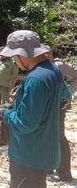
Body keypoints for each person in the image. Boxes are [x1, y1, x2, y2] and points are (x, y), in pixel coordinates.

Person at [0, 30, 71, 188]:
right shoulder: (53, 70)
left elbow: (25, 124)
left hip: (27, 155)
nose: (15, 61)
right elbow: (65, 96)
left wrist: (5, 113)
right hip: (43, 150)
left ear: (22, 55)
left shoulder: (34, 79)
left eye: (14, 57)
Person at [44, 46, 76, 182]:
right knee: (47, 136)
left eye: (46, 53)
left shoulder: (59, 65)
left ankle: (64, 173)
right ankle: (49, 167)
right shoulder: (42, 66)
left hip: (58, 105)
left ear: (50, 53)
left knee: (59, 137)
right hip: (46, 105)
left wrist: (69, 91)